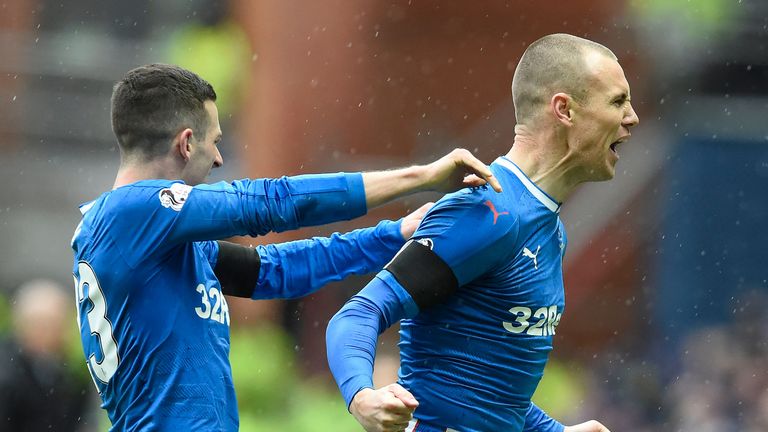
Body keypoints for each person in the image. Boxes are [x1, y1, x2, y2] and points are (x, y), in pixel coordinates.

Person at [70, 63, 501, 431]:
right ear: (185, 143)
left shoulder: (149, 239)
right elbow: (270, 202)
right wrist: (420, 177)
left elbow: (274, 269)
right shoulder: (132, 213)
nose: (219, 159)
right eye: (215, 140)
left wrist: (392, 235)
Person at [326, 33, 640, 432]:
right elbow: (360, 313)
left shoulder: (550, 231)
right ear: (564, 109)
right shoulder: (488, 212)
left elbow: (493, 397)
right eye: (618, 102)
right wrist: (362, 396)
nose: (632, 117)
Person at [0, 279, 94, 431]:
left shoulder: (71, 374)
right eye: (40, 323)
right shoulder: (6, 375)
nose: (47, 332)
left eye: (56, 324)